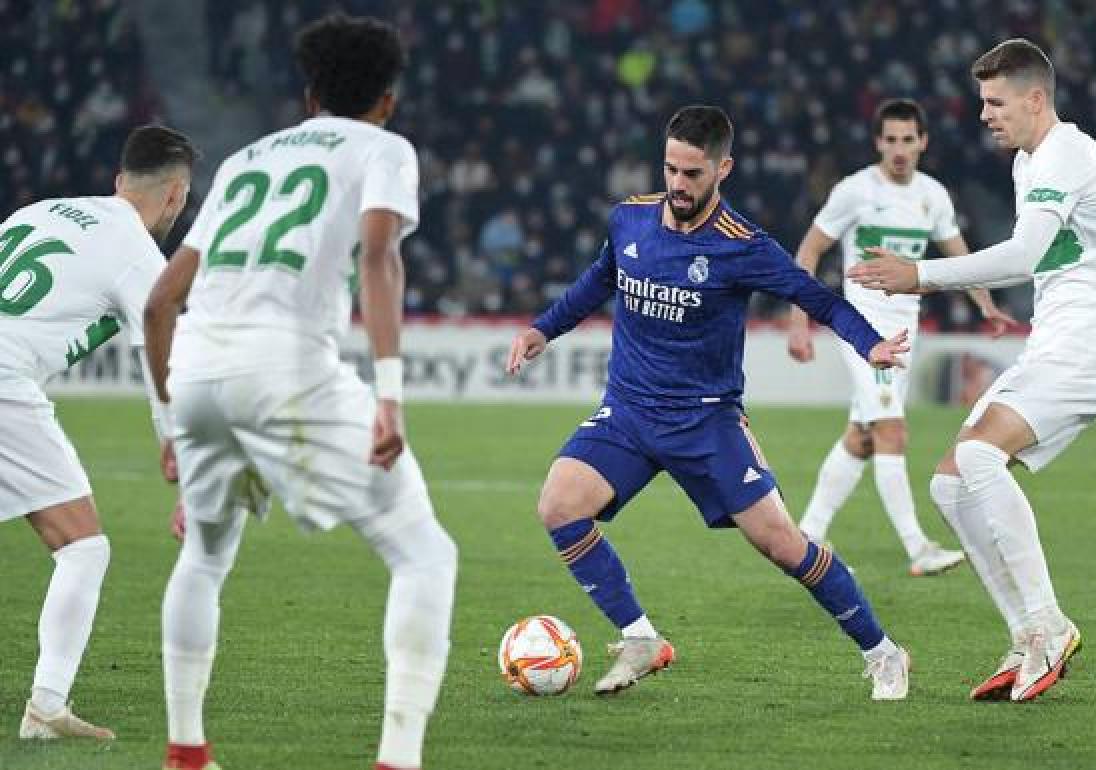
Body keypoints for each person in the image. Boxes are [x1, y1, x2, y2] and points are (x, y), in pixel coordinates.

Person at [506, 105, 913, 701]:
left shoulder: (742, 245)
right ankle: (641, 637)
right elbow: (600, 279)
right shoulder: (630, 220)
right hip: (629, 411)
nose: (677, 185)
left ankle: (883, 652)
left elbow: (817, 299)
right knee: (559, 505)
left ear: (723, 168)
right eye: (670, 169)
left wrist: (870, 342)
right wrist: (542, 330)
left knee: (783, 544)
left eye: (692, 174)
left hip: (706, 420)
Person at [143, 15, 456, 770]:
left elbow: (159, 303)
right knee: (424, 556)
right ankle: (398, 759)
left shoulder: (248, 159)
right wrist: (390, 393)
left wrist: (168, 424)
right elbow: (380, 256)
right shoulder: (384, 148)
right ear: (388, 97)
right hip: (284, 368)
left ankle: (187, 752)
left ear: (310, 93)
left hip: (197, 373)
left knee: (206, 556)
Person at [848, 38, 1096, 702]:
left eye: (995, 101)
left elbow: (1024, 254)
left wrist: (920, 277)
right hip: (1058, 340)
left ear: (1035, 99)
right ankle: (1025, 634)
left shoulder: (1068, 153)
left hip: (1094, 336)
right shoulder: (1029, 162)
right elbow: (1037, 262)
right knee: (951, 486)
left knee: (979, 460)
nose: (984, 114)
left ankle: (1049, 624)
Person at [0, 124, 195, 740]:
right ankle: (46, 708)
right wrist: (176, 446)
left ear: (118, 182)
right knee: (83, 547)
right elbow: (158, 354)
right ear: (177, 198)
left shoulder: (43, 210)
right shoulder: (138, 253)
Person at [787, 98, 1017, 576]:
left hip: (902, 331)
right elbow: (809, 249)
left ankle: (807, 532)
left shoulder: (933, 196)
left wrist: (986, 304)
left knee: (864, 436)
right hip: (861, 328)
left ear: (923, 143)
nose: (898, 149)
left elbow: (958, 257)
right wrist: (798, 319)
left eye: (907, 140)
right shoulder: (854, 191)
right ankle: (918, 548)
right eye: (890, 140)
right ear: (877, 143)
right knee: (891, 430)